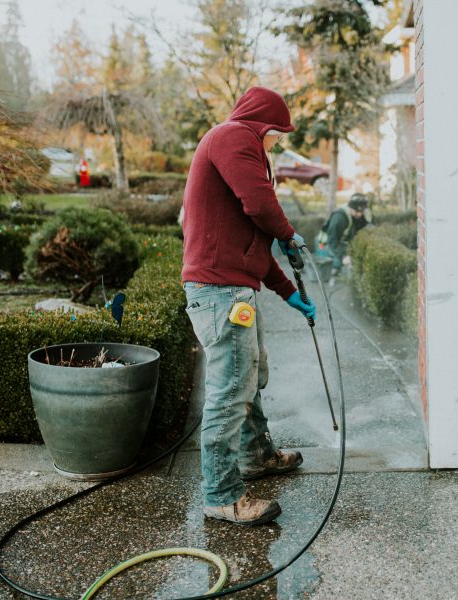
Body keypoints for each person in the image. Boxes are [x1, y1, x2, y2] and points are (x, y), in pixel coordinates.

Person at [181, 86, 315, 526]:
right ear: (264, 125)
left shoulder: (240, 147)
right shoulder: (234, 136)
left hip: (232, 289)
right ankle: (221, 495)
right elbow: (261, 206)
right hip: (220, 293)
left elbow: (253, 248)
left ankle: (256, 457)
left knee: (250, 376)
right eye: (277, 134)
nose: (278, 142)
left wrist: (288, 292)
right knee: (230, 390)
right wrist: (289, 232)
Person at [321, 193, 371, 282]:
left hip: (341, 242)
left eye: (361, 212)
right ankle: (334, 270)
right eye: (357, 211)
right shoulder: (339, 218)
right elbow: (332, 242)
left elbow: (364, 225)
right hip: (326, 246)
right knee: (341, 262)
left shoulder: (355, 214)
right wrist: (344, 256)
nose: (359, 214)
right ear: (351, 207)